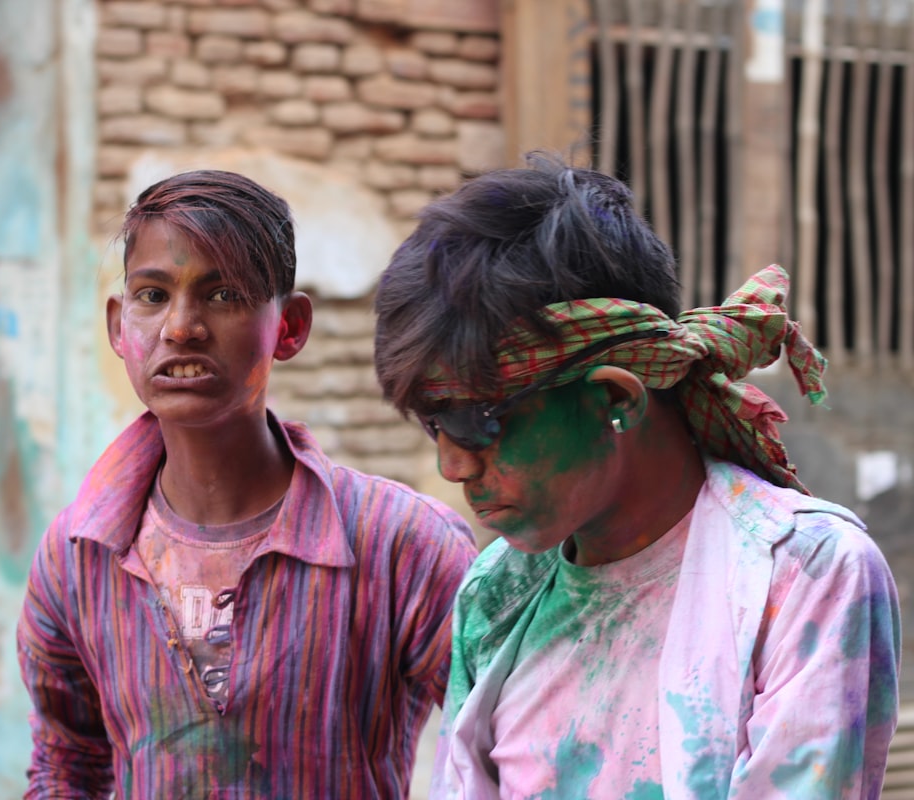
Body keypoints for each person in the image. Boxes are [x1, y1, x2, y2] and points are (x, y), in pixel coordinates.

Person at [371, 155, 900, 799]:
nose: (452, 466)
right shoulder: (497, 593)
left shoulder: (802, 576)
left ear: (615, 399)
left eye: (478, 421)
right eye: (434, 425)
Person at [16, 169, 477, 798]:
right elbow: (66, 764)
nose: (181, 327)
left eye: (224, 294)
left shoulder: (399, 544)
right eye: (152, 296)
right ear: (119, 326)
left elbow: (503, 742)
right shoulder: (76, 558)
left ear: (288, 327)